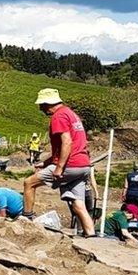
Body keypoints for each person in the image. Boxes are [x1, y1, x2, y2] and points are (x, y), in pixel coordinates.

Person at [22, 88, 96, 237]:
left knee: (29, 183)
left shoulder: (58, 116)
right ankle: (91, 235)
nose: (40, 109)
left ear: (48, 103)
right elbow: (72, 144)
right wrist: (46, 162)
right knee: (78, 204)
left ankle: (26, 220)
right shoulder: (72, 114)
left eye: (42, 105)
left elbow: (67, 143)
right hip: (83, 166)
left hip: (70, 165)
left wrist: (59, 167)